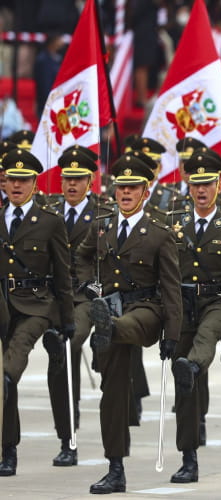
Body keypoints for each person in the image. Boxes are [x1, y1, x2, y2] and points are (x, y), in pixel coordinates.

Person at [77, 154, 181, 494]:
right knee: (113, 394)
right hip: (110, 308)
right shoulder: (102, 226)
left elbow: (171, 287)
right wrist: (90, 288)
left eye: (132, 188)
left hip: (146, 311)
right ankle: (115, 467)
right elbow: (81, 257)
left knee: (122, 326)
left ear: (145, 190)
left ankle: (105, 328)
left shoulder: (160, 233)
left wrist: (173, 333)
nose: (125, 193)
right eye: (121, 187)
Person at [166, 151, 221, 483]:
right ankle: (188, 459)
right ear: (188, 186)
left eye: (208, 184)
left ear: (219, 185)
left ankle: (194, 364)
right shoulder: (174, 224)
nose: (201, 190)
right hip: (183, 306)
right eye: (196, 184)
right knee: (184, 386)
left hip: (220, 301)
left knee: (203, 344)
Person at [0, 149, 74, 477]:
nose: (17, 185)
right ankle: (8, 449)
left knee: (9, 368)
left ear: (34, 183)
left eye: (24, 180)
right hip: (3, 306)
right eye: (12, 179)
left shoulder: (50, 221)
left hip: (36, 305)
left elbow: (63, 274)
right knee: (7, 382)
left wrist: (67, 321)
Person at [45, 148, 108, 467]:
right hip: (50, 298)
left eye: (78, 179)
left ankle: (70, 437)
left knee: (68, 348)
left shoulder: (103, 214)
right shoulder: (48, 211)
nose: (71, 185)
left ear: (90, 181)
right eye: (67, 178)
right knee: (58, 359)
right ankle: (64, 434)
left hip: (86, 298)